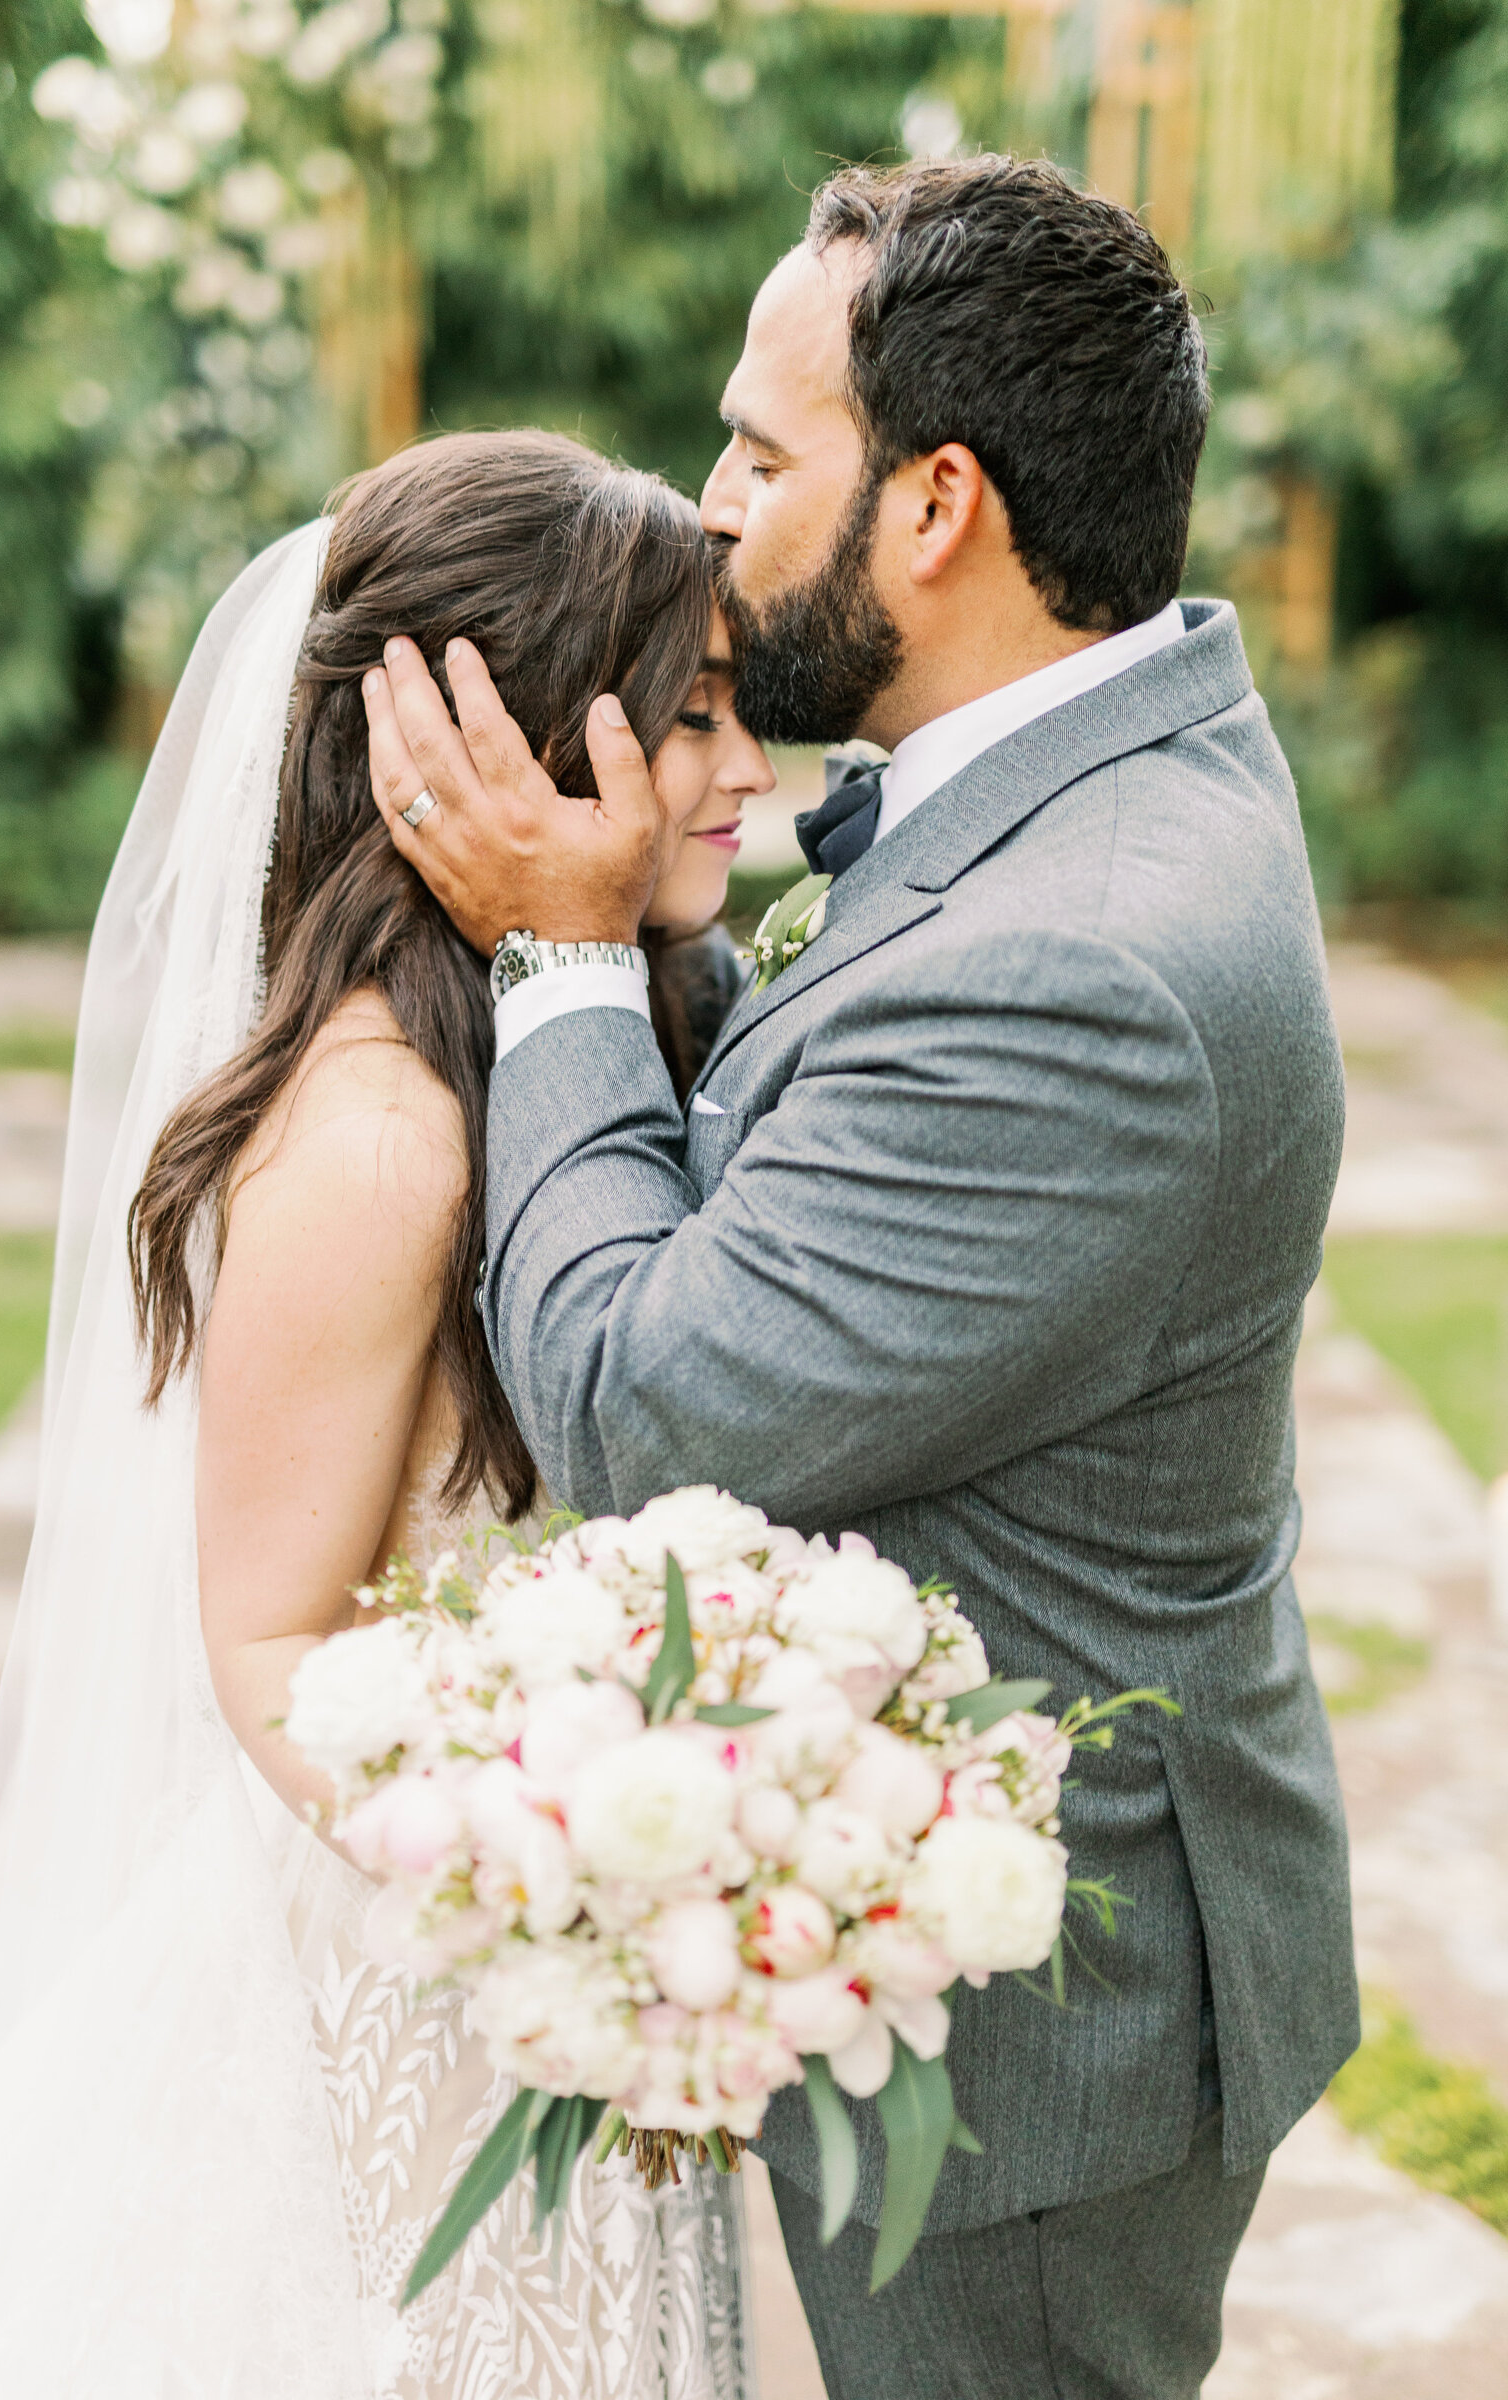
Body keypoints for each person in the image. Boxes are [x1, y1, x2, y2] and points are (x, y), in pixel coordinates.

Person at [361, 157, 1361, 2400]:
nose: (708, 511)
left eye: (755, 450)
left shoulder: (1084, 961)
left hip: (1029, 2047)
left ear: (933, 507)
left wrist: (559, 949)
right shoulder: (1092, 767)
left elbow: (645, 1410)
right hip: (970, 1895)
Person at [0, 431, 772, 2398]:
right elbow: (269, 1639)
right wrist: (561, 1870)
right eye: (691, 717)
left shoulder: (580, 1041)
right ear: (503, 744)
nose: (745, 773)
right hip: (428, 1981)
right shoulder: (380, 1130)